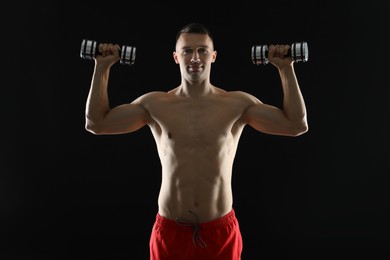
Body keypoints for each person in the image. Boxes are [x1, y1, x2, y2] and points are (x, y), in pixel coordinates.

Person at [84, 22, 308, 260]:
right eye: (187, 51)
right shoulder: (155, 104)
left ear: (213, 56)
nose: (195, 57)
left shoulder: (237, 104)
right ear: (176, 57)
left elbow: (295, 125)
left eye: (202, 50)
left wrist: (286, 68)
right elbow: (97, 124)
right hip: (170, 232)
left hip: (220, 233)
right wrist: (102, 66)